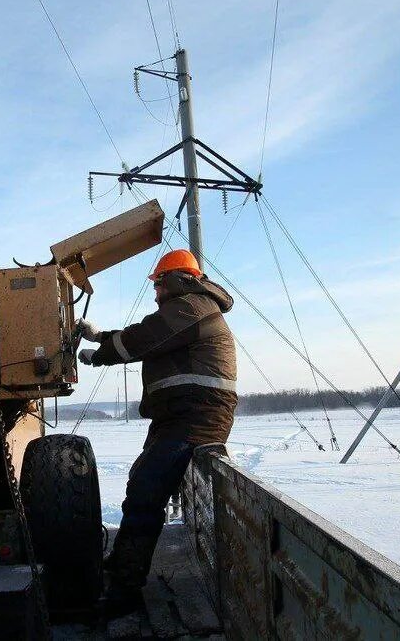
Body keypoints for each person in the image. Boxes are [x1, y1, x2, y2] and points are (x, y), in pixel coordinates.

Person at [76, 249, 237, 617]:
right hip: (178, 416)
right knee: (139, 484)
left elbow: (145, 339)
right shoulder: (189, 309)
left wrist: (99, 354)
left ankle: (125, 591)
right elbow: (148, 337)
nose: (155, 291)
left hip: (196, 415)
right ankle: (122, 565)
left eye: (158, 283)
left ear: (178, 279)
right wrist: (102, 336)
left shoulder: (192, 307)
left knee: (147, 491)